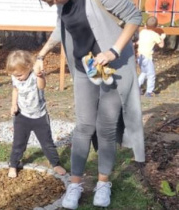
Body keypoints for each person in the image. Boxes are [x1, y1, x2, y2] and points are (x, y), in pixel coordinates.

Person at [35, 0, 145, 209]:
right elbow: (61, 28)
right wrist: (42, 54)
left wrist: (113, 51)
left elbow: (134, 17)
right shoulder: (61, 5)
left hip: (113, 68)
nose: (50, 4)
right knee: (84, 125)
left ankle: (103, 183)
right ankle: (75, 185)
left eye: (50, 0)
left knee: (106, 127)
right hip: (84, 69)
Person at [6, 50, 66, 178]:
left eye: (20, 75)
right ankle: (13, 165)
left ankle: (55, 163)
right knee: (18, 143)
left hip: (39, 116)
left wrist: (40, 76)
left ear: (28, 67)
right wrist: (14, 105)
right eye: (15, 75)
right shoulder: (15, 77)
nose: (18, 78)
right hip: (21, 116)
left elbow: (41, 86)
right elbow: (15, 90)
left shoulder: (35, 75)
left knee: (47, 143)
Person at [137, 16, 165, 97]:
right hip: (147, 57)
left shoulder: (142, 32)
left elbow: (139, 42)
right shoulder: (154, 35)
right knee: (151, 75)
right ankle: (149, 92)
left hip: (140, 56)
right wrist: (162, 38)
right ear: (156, 26)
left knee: (144, 72)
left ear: (145, 25)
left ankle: (137, 87)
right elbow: (161, 45)